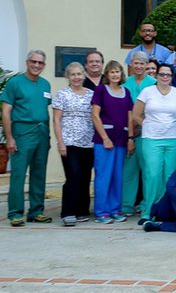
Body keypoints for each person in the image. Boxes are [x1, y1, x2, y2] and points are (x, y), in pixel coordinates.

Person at [2, 50, 52, 226]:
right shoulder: (15, 83)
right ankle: (15, 212)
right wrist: (9, 138)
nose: (37, 65)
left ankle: (36, 211)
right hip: (22, 132)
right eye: (34, 61)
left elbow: (44, 109)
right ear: (27, 62)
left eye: (40, 63)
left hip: (42, 132)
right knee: (18, 174)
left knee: (39, 173)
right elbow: (6, 111)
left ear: (44, 65)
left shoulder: (45, 84)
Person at [133, 63, 176, 224]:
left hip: (173, 139)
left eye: (168, 75)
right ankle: (148, 211)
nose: (164, 77)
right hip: (151, 139)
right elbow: (135, 114)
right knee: (152, 175)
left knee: (169, 176)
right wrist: (147, 125)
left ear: (172, 76)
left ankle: (164, 210)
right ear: (156, 75)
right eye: (162, 74)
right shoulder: (147, 92)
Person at [91, 60, 134, 223]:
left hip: (121, 140)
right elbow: (95, 115)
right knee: (104, 175)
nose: (115, 75)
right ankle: (101, 211)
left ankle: (115, 209)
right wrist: (105, 138)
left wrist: (130, 138)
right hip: (105, 141)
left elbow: (130, 118)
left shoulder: (126, 91)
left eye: (118, 72)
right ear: (107, 74)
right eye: (112, 72)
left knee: (117, 176)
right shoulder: (101, 90)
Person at [53, 62, 94, 226]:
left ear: (84, 75)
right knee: (73, 176)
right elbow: (56, 119)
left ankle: (82, 210)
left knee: (85, 177)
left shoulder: (91, 94)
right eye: (73, 74)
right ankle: (68, 212)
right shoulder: (62, 94)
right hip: (69, 142)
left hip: (88, 142)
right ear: (68, 77)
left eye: (79, 74)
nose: (77, 77)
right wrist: (60, 142)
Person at [121, 51, 156, 216]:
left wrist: (138, 123)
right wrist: (130, 128)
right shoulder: (124, 83)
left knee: (148, 169)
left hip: (146, 132)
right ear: (131, 65)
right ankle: (127, 205)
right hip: (127, 133)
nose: (139, 66)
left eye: (142, 63)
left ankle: (145, 203)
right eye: (136, 63)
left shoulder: (154, 83)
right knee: (129, 170)